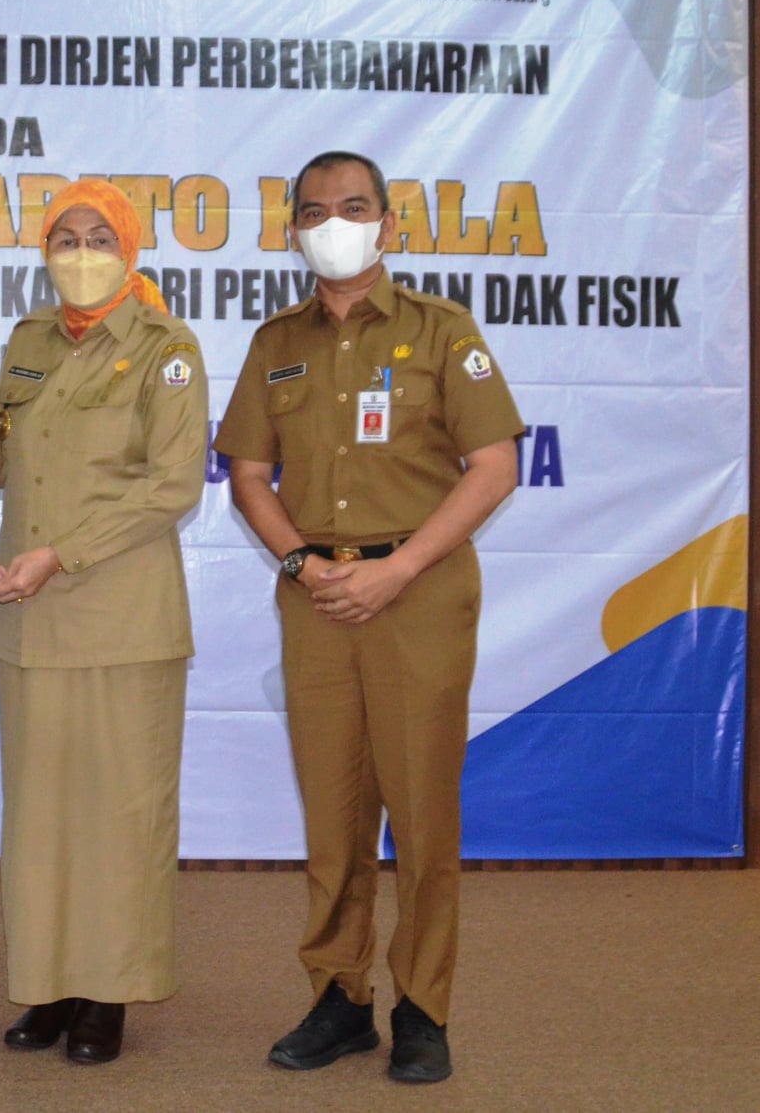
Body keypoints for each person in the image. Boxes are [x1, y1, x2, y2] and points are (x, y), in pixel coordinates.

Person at [214, 150, 523, 1084]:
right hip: (316, 598)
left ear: (388, 224)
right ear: (293, 232)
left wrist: (400, 568)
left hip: (416, 595)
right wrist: (301, 563)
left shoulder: (441, 330)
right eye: (314, 212)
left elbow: (494, 466)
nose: (334, 225)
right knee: (333, 816)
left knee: (421, 816)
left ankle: (422, 1007)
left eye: (354, 208)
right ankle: (339, 997)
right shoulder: (276, 341)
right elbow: (248, 476)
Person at [0, 178, 209, 1065]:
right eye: (66, 236)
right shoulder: (28, 341)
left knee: (120, 815)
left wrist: (59, 554)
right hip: (28, 624)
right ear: (44, 249)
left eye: (100, 236)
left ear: (128, 248)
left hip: (119, 616)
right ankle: (50, 983)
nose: (82, 251)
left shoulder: (166, 346)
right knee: (40, 818)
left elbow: (172, 484)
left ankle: (108, 991)